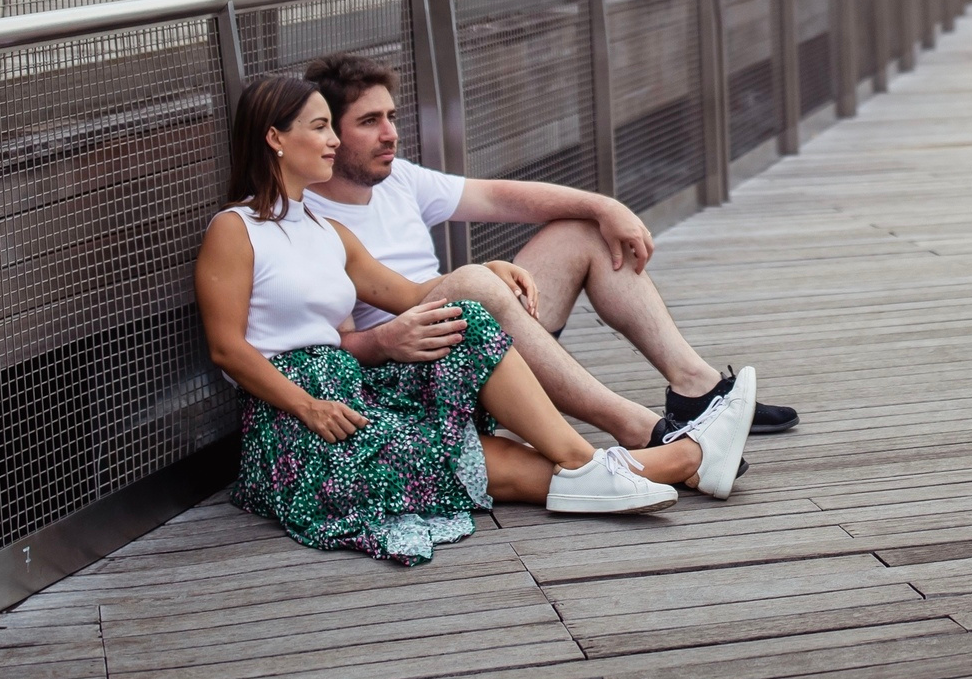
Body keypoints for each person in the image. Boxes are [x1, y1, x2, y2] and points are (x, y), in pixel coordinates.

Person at [198, 75, 754, 564]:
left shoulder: (325, 230)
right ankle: (685, 457)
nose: (334, 141)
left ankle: (603, 462)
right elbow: (227, 350)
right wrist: (307, 405)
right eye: (321, 128)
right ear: (275, 137)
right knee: (464, 459)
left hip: (352, 389)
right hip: (293, 413)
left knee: (468, 318)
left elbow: (416, 294)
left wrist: (486, 270)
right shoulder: (236, 228)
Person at [299, 53, 795, 460]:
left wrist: (603, 205)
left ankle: (697, 390)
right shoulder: (306, 219)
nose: (390, 133)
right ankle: (637, 428)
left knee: (584, 232)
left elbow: (498, 198)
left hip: (481, 336)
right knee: (473, 282)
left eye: (391, 117)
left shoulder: (398, 178)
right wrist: (388, 336)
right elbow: (331, 349)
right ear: (328, 133)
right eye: (369, 122)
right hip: (417, 372)